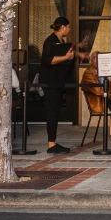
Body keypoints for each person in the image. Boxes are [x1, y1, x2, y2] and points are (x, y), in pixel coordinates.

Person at [38, 16, 77, 153]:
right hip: (50, 83)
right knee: (52, 112)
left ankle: (52, 142)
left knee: (55, 111)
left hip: (58, 81)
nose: (69, 29)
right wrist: (66, 57)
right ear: (63, 28)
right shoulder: (50, 41)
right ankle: (51, 144)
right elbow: (48, 60)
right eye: (68, 27)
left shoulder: (61, 41)